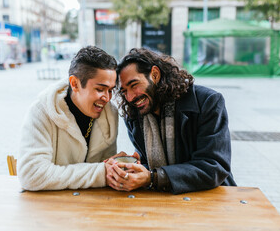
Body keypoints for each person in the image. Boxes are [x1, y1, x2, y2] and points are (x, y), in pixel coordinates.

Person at [106, 48, 236, 194]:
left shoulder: (207, 102)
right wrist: (129, 165)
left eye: (134, 85)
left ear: (155, 75)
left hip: (213, 198)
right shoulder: (134, 116)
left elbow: (214, 167)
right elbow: (148, 165)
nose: (130, 98)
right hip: (164, 199)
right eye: (124, 91)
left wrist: (152, 177)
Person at [18, 46, 119, 191]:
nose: (107, 98)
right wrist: (102, 172)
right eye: (100, 89)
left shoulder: (110, 114)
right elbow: (31, 175)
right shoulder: (41, 111)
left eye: (111, 90)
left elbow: (104, 168)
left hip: (93, 207)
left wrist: (116, 167)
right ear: (75, 84)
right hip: (49, 208)